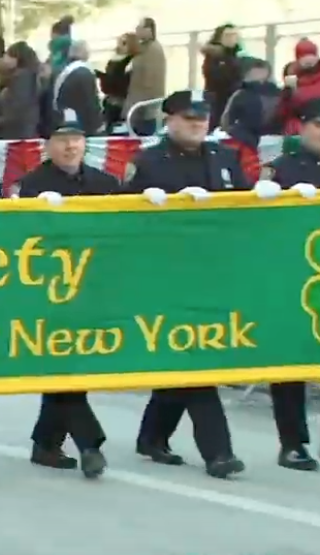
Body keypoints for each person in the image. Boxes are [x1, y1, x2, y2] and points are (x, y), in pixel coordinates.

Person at [127, 89, 248, 479]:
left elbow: (245, 211)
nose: (197, 125)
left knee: (185, 359)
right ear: (169, 120)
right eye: (188, 118)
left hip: (214, 273)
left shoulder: (225, 158)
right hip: (167, 275)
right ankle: (219, 452)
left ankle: (152, 435)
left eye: (202, 118)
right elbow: (123, 218)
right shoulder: (148, 162)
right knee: (195, 359)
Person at [17, 108, 118, 479]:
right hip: (52, 291)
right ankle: (90, 443)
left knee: (72, 368)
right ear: (48, 145)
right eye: (62, 139)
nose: (70, 146)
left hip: (95, 288)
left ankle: (46, 443)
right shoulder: (33, 185)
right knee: (63, 367)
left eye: (76, 138)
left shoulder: (106, 183)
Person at [262, 97, 320, 472]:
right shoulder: (282, 169)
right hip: (293, 277)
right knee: (290, 364)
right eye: (319, 125)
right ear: (302, 127)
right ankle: (293, 443)